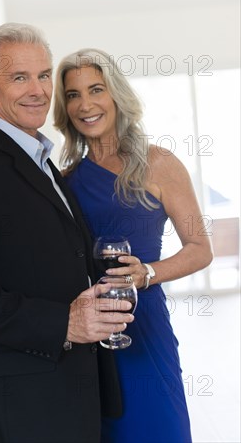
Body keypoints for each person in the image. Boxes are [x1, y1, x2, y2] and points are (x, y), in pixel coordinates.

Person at [0, 25, 135, 443]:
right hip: (29, 398)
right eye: (20, 77)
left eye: (43, 75)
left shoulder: (40, 159)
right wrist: (64, 323)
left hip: (72, 385)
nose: (38, 90)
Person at [53, 48, 213, 443]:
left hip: (145, 326)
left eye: (96, 89)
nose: (85, 104)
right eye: (73, 95)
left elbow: (199, 247)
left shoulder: (159, 164)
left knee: (160, 429)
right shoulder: (65, 179)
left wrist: (148, 274)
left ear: (116, 95)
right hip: (88, 336)